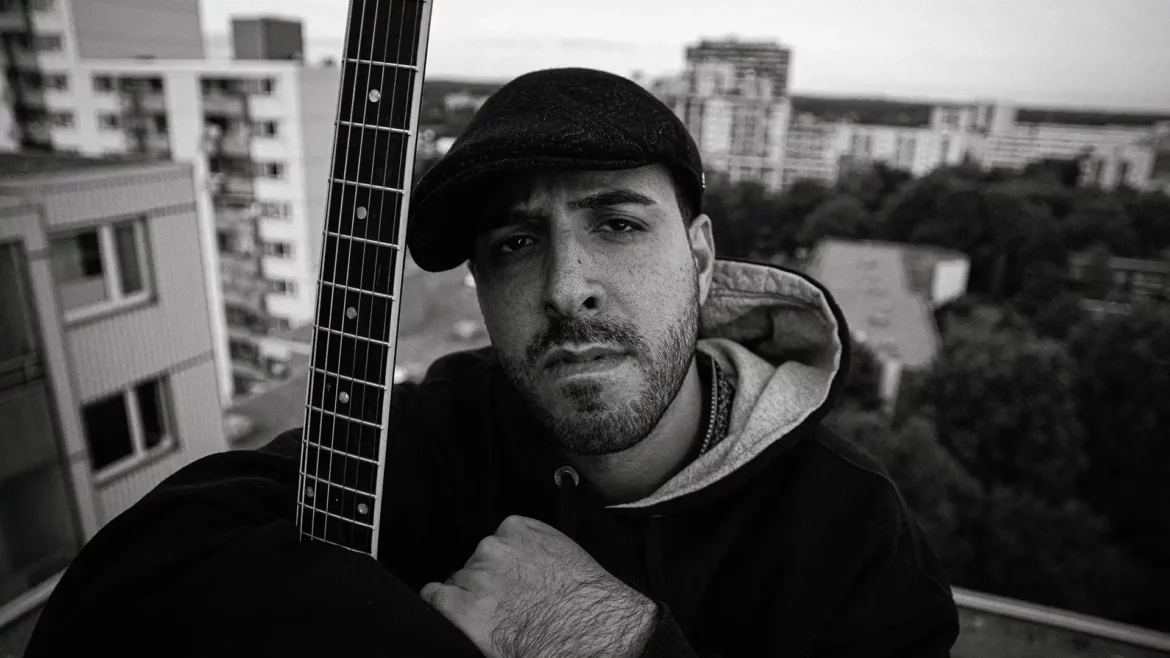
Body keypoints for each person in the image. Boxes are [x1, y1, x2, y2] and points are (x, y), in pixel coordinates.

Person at [25, 68, 958, 657]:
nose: (566, 287)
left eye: (618, 223)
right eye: (515, 245)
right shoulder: (434, 434)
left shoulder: (852, 540)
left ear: (703, 256)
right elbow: (122, 593)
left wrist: (609, 643)